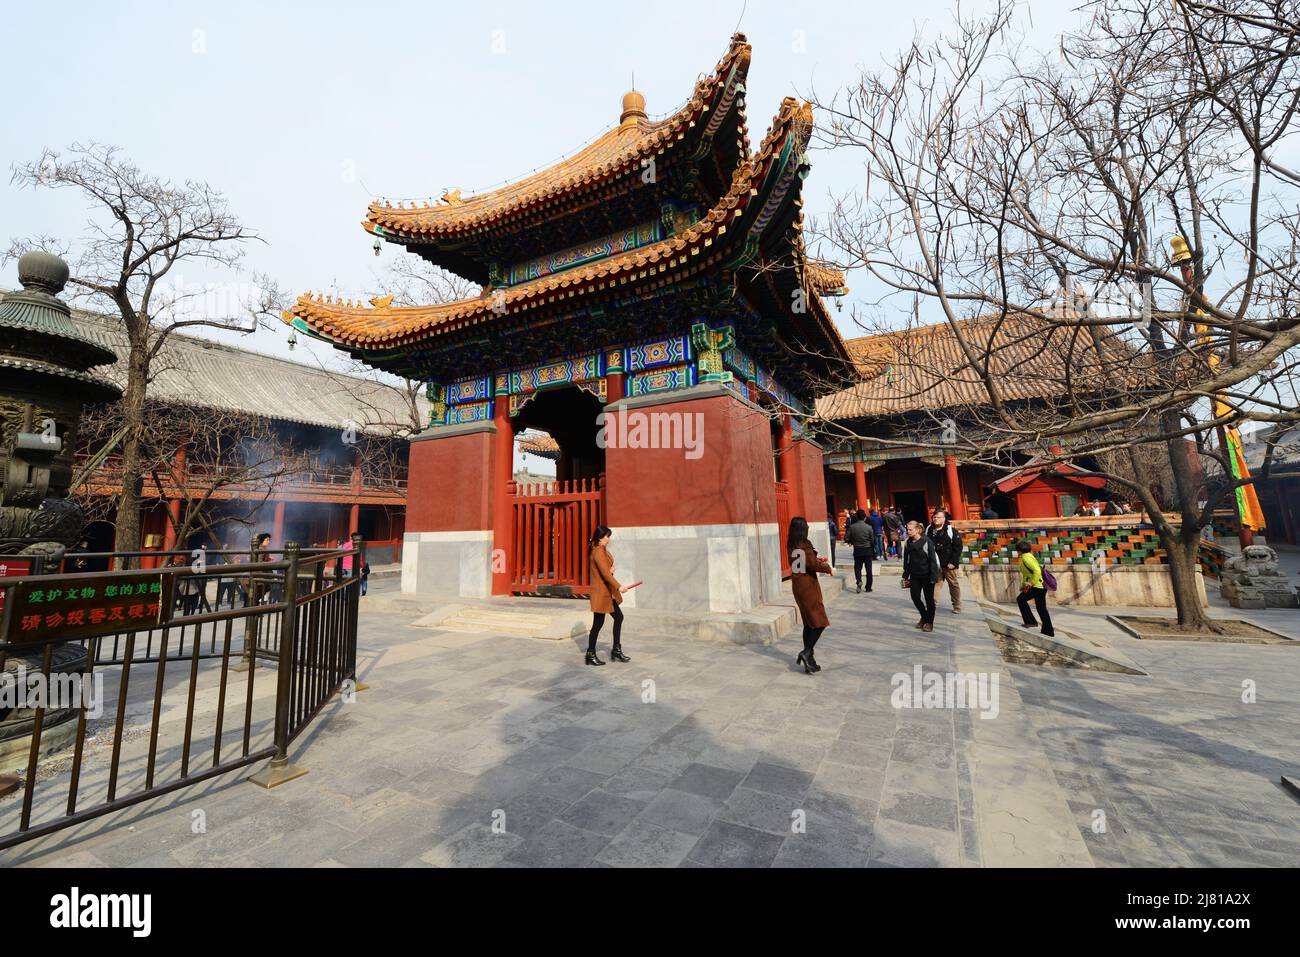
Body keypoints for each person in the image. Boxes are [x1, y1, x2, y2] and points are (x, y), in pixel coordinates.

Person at [788, 516, 833, 673]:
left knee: (809, 623)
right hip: (808, 587)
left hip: (798, 586)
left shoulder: (793, 545)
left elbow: (806, 563)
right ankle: (806, 652)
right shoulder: (803, 545)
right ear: (802, 529)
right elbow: (812, 564)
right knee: (820, 621)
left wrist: (816, 559)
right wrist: (827, 567)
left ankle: (810, 658)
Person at [586, 526, 629, 666]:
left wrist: (610, 570)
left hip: (606, 592)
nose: (608, 539)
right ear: (600, 537)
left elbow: (605, 571)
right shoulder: (598, 552)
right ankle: (590, 654)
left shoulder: (602, 551)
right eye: (606, 536)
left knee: (618, 617)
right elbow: (604, 574)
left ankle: (616, 649)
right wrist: (619, 586)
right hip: (601, 593)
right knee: (598, 624)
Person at [901, 520, 941, 632]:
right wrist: (906, 573)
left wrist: (934, 576)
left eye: (910, 530)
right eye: (907, 529)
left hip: (927, 574)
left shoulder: (927, 542)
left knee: (929, 600)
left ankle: (929, 622)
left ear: (918, 529)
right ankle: (924, 616)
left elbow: (933, 560)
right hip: (914, 575)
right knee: (915, 597)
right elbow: (906, 560)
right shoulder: (908, 542)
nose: (908, 532)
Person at [925, 508, 964, 613]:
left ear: (944, 518)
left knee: (953, 584)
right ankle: (932, 605)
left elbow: (958, 547)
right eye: (934, 517)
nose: (936, 519)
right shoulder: (929, 529)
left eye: (938, 517)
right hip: (935, 563)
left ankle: (957, 606)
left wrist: (953, 562)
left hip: (949, 563)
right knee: (936, 583)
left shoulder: (950, 530)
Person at [1015, 539, 1054, 637]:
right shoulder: (1029, 556)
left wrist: (1031, 583)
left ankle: (1035, 624)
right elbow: (1027, 574)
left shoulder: (1026, 558)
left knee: (1023, 600)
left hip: (1037, 586)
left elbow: (1037, 571)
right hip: (1037, 586)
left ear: (1019, 550)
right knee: (1039, 607)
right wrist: (1024, 584)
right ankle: (1045, 629)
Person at [845, 508, 875, 593]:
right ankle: (868, 587)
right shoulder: (869, 527)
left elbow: (846, 538)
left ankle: (859, 581)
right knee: (869, 569)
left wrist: (852, 541)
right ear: (864, 517)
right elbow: (872, 540)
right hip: (867, 550)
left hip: (857, 550)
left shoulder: (852, 527)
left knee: (858, 568)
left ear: (857, 517)